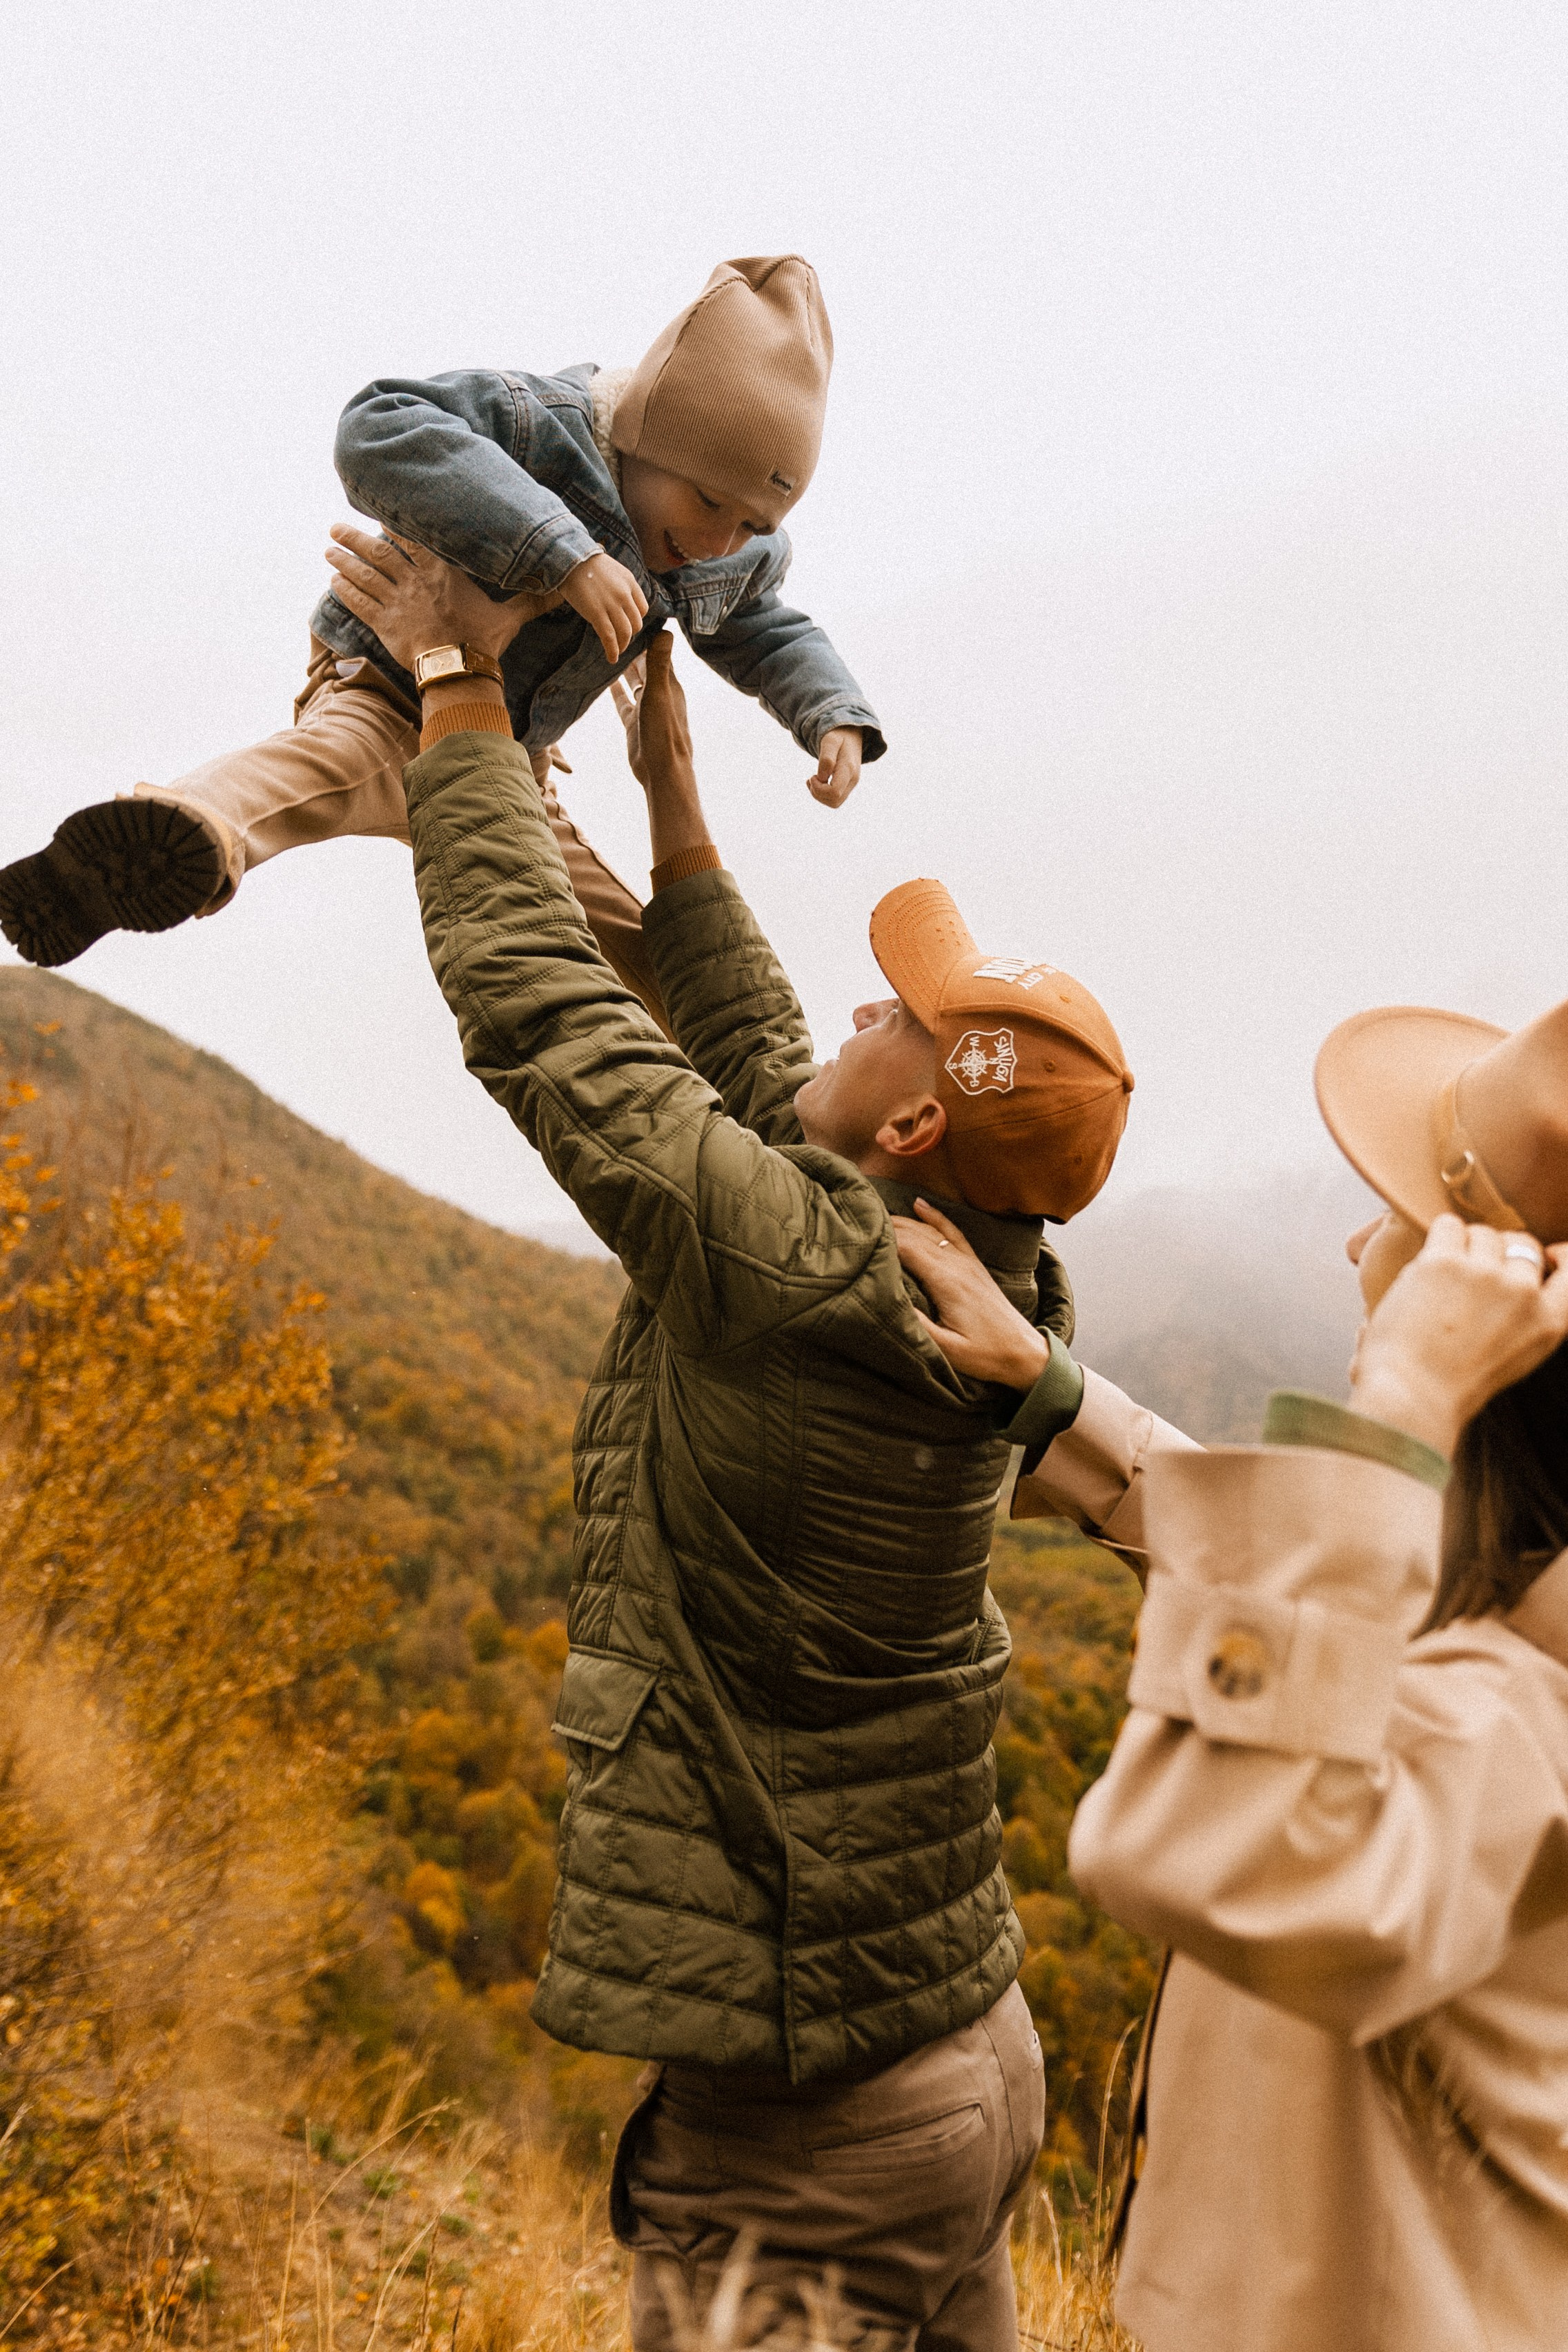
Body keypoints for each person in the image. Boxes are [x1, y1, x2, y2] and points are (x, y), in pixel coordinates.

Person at [320, 522, 1134, 2350]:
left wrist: (455, 686)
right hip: (959, 2061)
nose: (862, 1006)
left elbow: (540, 1016)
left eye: (899, 1021)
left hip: (809, 2137)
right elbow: (776, 1059)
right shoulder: (983, 1282)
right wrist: (676, 783)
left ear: (921, 1129)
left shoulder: (800, 1269)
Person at [897, 992, 1568, 2351]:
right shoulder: (1506, 1621)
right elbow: (1321, 1605)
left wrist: (1392, 1407)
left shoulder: (1504, 1717)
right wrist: (1049, 1394)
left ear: (1484, 1320)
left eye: (1386, 1214)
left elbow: (1190, 1834)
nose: (1347, 1239)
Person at [0, 255, 881, 1026]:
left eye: (752, 522)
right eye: (706, 504)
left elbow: (763, 626)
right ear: (643, 438)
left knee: (600, 931)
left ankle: (726, 1064)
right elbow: (378, 427)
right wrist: (564, 553)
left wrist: (830, 715)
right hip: (391, 689)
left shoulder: (725, 553)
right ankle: (174, 834)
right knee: (326, 768)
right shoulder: (541, 426)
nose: (720, 540)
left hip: (509, 757)